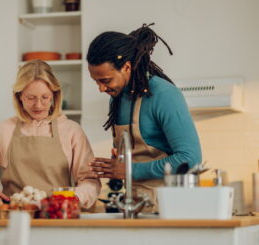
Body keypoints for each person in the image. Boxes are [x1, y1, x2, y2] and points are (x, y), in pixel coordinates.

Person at [86, 23, 201, 209]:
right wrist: (118, 163)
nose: (101, 88)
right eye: (96, 81)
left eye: (105, 80)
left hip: (169, 207)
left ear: (126, 67)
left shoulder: (164, 95)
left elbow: (190, 158)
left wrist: (130, 170)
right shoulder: (116, 99)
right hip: (136, 203)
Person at [0, 60, 101, 209]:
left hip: (58, 216)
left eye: (45, 97)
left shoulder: (71, 131)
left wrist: (77, 197)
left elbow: (89, 179)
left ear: (54, 95)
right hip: (14, 217)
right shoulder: (3, 130)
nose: (38, 105)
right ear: (19, 96)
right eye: (30, 98)